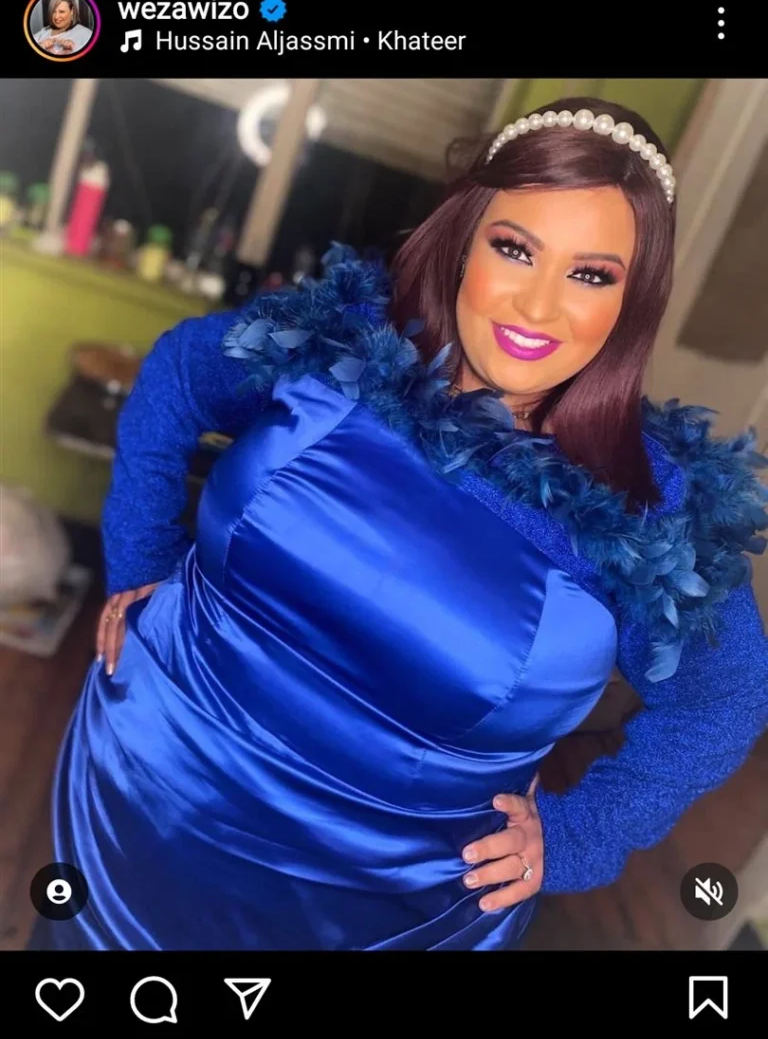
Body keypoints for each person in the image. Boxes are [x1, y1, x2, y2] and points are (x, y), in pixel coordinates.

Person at [40, 96, 768, 952]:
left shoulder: (651, 505)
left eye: (591, 275)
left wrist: (581, 834)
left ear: (633, 299)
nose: (537, 307)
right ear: (467, 237)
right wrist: (139, 563)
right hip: (140, 808)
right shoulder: (341, 344)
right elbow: (175, 377)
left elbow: (726, 695)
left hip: (377, 914)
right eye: (515, 248)